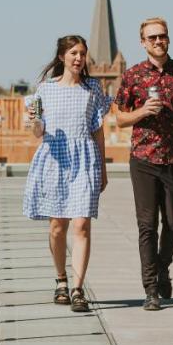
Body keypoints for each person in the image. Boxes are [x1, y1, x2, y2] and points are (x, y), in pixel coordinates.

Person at [114, 17, 173, 311]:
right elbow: (119, 118)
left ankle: (163, 266)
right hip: (143, 160)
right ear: (143, 42)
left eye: (161, 36)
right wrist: (141, 111)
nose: (158, 41)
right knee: (147, 226)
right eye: (152, 38)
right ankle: (151, 288)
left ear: (168, 39)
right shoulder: (132, 76)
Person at [23, 35, 111, 313]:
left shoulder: (93, 88)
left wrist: (103, 168)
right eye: (73, 53)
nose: (78, 58)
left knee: (82, 224)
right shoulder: (44, 90)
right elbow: (38, 132)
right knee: (57, 227)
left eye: (82, 53)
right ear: (62, 57)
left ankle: (77, 288)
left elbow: (98, 129)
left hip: (85, 159)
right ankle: (60, 279)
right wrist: (34, 122)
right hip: (54, 159)